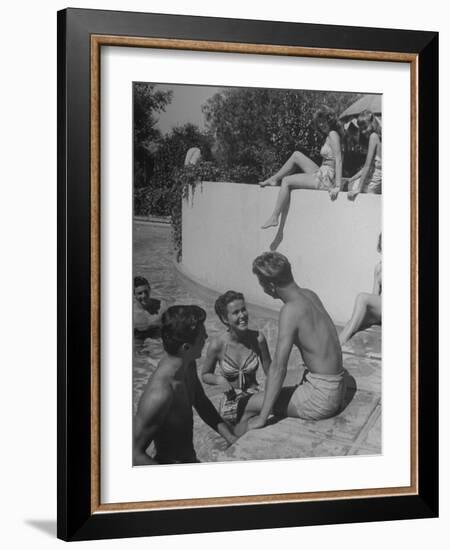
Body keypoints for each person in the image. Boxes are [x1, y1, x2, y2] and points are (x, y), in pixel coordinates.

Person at [234, 252, 345, 436]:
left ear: (270, 286)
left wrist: (263, 416)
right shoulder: (310, 295)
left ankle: (235, 442)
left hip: (321, 398)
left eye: (261, 283)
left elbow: (278, 367)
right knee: (271, 384)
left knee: (246, 405)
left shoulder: (290, 311)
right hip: (336, 386)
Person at [133, 305, 237, 465]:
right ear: (186, 348)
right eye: (203, 335)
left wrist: (230, 437)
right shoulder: (160, 395)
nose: (207, 337)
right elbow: (134, 454)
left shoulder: (187, 364)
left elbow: (200, 400)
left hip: (190, 461)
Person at [260, 106, 343, 230]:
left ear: (329, 119)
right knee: (296, 155)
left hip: (325, 177)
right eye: (319, 122)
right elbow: (327, 160)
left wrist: (337, 186)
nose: (321, 124)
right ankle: (273, 178)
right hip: (322, 171)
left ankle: (274, 217)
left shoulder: (333, 134)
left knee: (287, 181)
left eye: (323, 121)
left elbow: (339, 159)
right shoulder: (328, 136)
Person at [201, 291, 271, 424]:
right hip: (230, 405)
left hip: (254, 398)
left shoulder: (258, 339)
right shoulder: (217, 345)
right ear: (225, 319)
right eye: (236, 312)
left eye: (243, 310)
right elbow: (205, 374)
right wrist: (220, 380)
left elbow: (271, 372)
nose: (242, 315)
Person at [339, 234, 382, 346]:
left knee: (362, 297)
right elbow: (375, 295)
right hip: (381, 311)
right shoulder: (379, 268)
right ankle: (335, 348)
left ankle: (339, 344)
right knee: (353, 322)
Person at [345, 110, 382, 200]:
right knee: (348, 182)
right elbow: (370, 167)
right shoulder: (379, 137)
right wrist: (352, 178)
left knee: (346, 187)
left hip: (373, 183)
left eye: (365, 127)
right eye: (361, 129)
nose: (363, 132)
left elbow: (367, 165)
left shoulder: (373, 137)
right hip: (377, 180)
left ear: (372, 123)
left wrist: (358, 189)